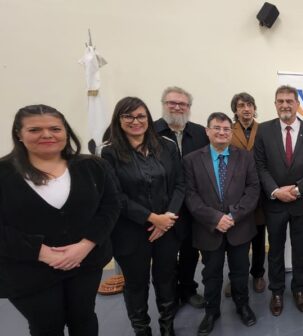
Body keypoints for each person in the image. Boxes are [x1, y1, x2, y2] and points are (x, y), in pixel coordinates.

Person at [0, 105, 119, 336]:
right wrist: (43, 252)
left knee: (84, 319)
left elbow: (111, 206)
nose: (47, 135)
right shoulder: (4, 174)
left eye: (55, 128)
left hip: (86, 262)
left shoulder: (93, 166)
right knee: (46, 326)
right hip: (27, 269)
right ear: (19, 134)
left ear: (66, 131)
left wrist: (86, 245)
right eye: (35, 129)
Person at [102, 97, 185, 336]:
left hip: (167, 228)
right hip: (131, 232)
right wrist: (152, 218)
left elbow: (180, 184)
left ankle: (168, 328)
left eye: (141, 116)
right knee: (136, 285)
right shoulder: (108, 153)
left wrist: (167, 217)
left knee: (166, 280)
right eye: (128, 116)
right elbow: (115, 196)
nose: (136, 121)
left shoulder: (167, 145)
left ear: (148, 118)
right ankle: (142, 330)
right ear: (119, 120)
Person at [184, 112, 260, 334]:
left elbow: (253, 190)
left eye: (226, 129)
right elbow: (190, 196)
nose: (222, 132)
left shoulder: (245, 157)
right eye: (216, 128)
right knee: (211, 273)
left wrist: (233, 216)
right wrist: (216, 218)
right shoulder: (191, 160)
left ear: (231, 133)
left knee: (240, 270)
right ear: (207, 131)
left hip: (240, 227)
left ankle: (242, 306)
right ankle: (211, 311)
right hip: (209, 229)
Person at [254, 85, 303, 316]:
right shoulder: (263, 130)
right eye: (280, 101)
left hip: (301, 203)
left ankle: (298, 289)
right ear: (275, 104)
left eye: (289, 101)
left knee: (299, 249)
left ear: (297, 104)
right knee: (274, 249)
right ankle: (276, 291)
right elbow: (260, 165)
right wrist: (275, 191)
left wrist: (297, 189)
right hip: (274, 203)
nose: (285, 105)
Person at [154, 86, 209, 309]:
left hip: (192, 208)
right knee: (164, 260)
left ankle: (187, 289)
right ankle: (169, 298)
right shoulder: (151, 133)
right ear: (163, 104)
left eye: (182, 104)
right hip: (161, 209)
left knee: (189, 253)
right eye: (172, 103)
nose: (177, 107)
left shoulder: (200, 133)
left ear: (189, 108)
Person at [228, 92, 267, 294]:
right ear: (235, 109)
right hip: (235, 194)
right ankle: (235, 276)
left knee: (259, 237)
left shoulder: (265, 130)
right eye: (242, 105)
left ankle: (258, 274)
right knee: (236, 238)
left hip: (260, 193)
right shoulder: (228, 130)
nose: (246, 109)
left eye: (250, 104)